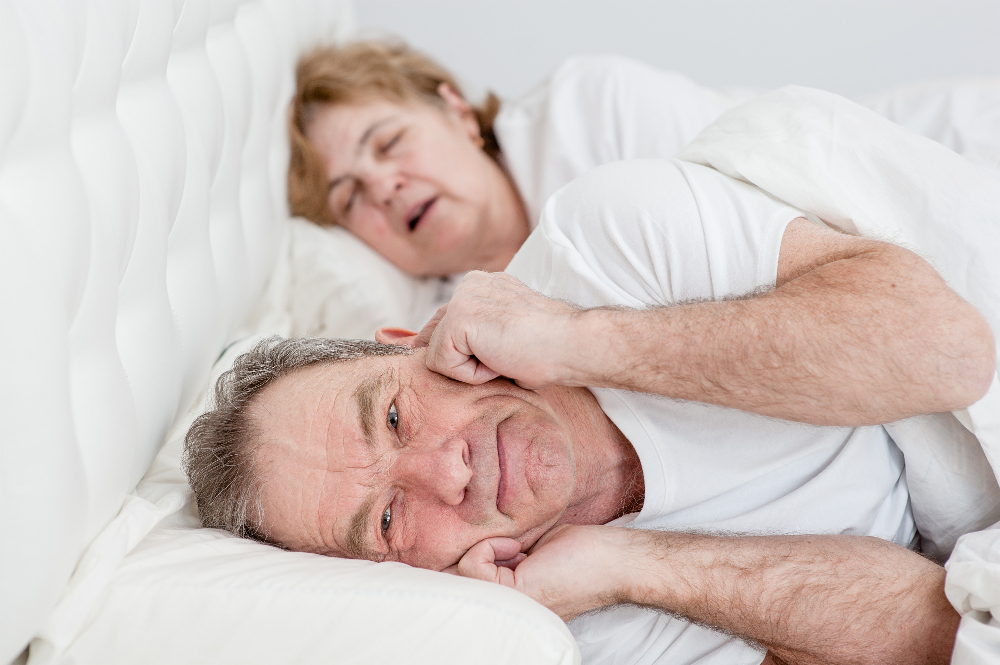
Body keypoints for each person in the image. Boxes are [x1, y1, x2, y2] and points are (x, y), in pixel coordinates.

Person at [185, 157, 998, 665]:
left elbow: (953, 351)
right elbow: (938, 639)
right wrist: (632, 568)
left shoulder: (600, 241)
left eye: (393, 418)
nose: (446, 468)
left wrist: (582, 343)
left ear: (416, 335)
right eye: (390, 519)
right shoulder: (558, 625)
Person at [287, 40, 1000, 283]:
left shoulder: (590, 109)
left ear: (456, 110)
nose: (383, 186)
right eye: (349, 197)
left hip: (948, 159)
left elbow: (787, 224)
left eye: (386, 144)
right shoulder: (444, 329)